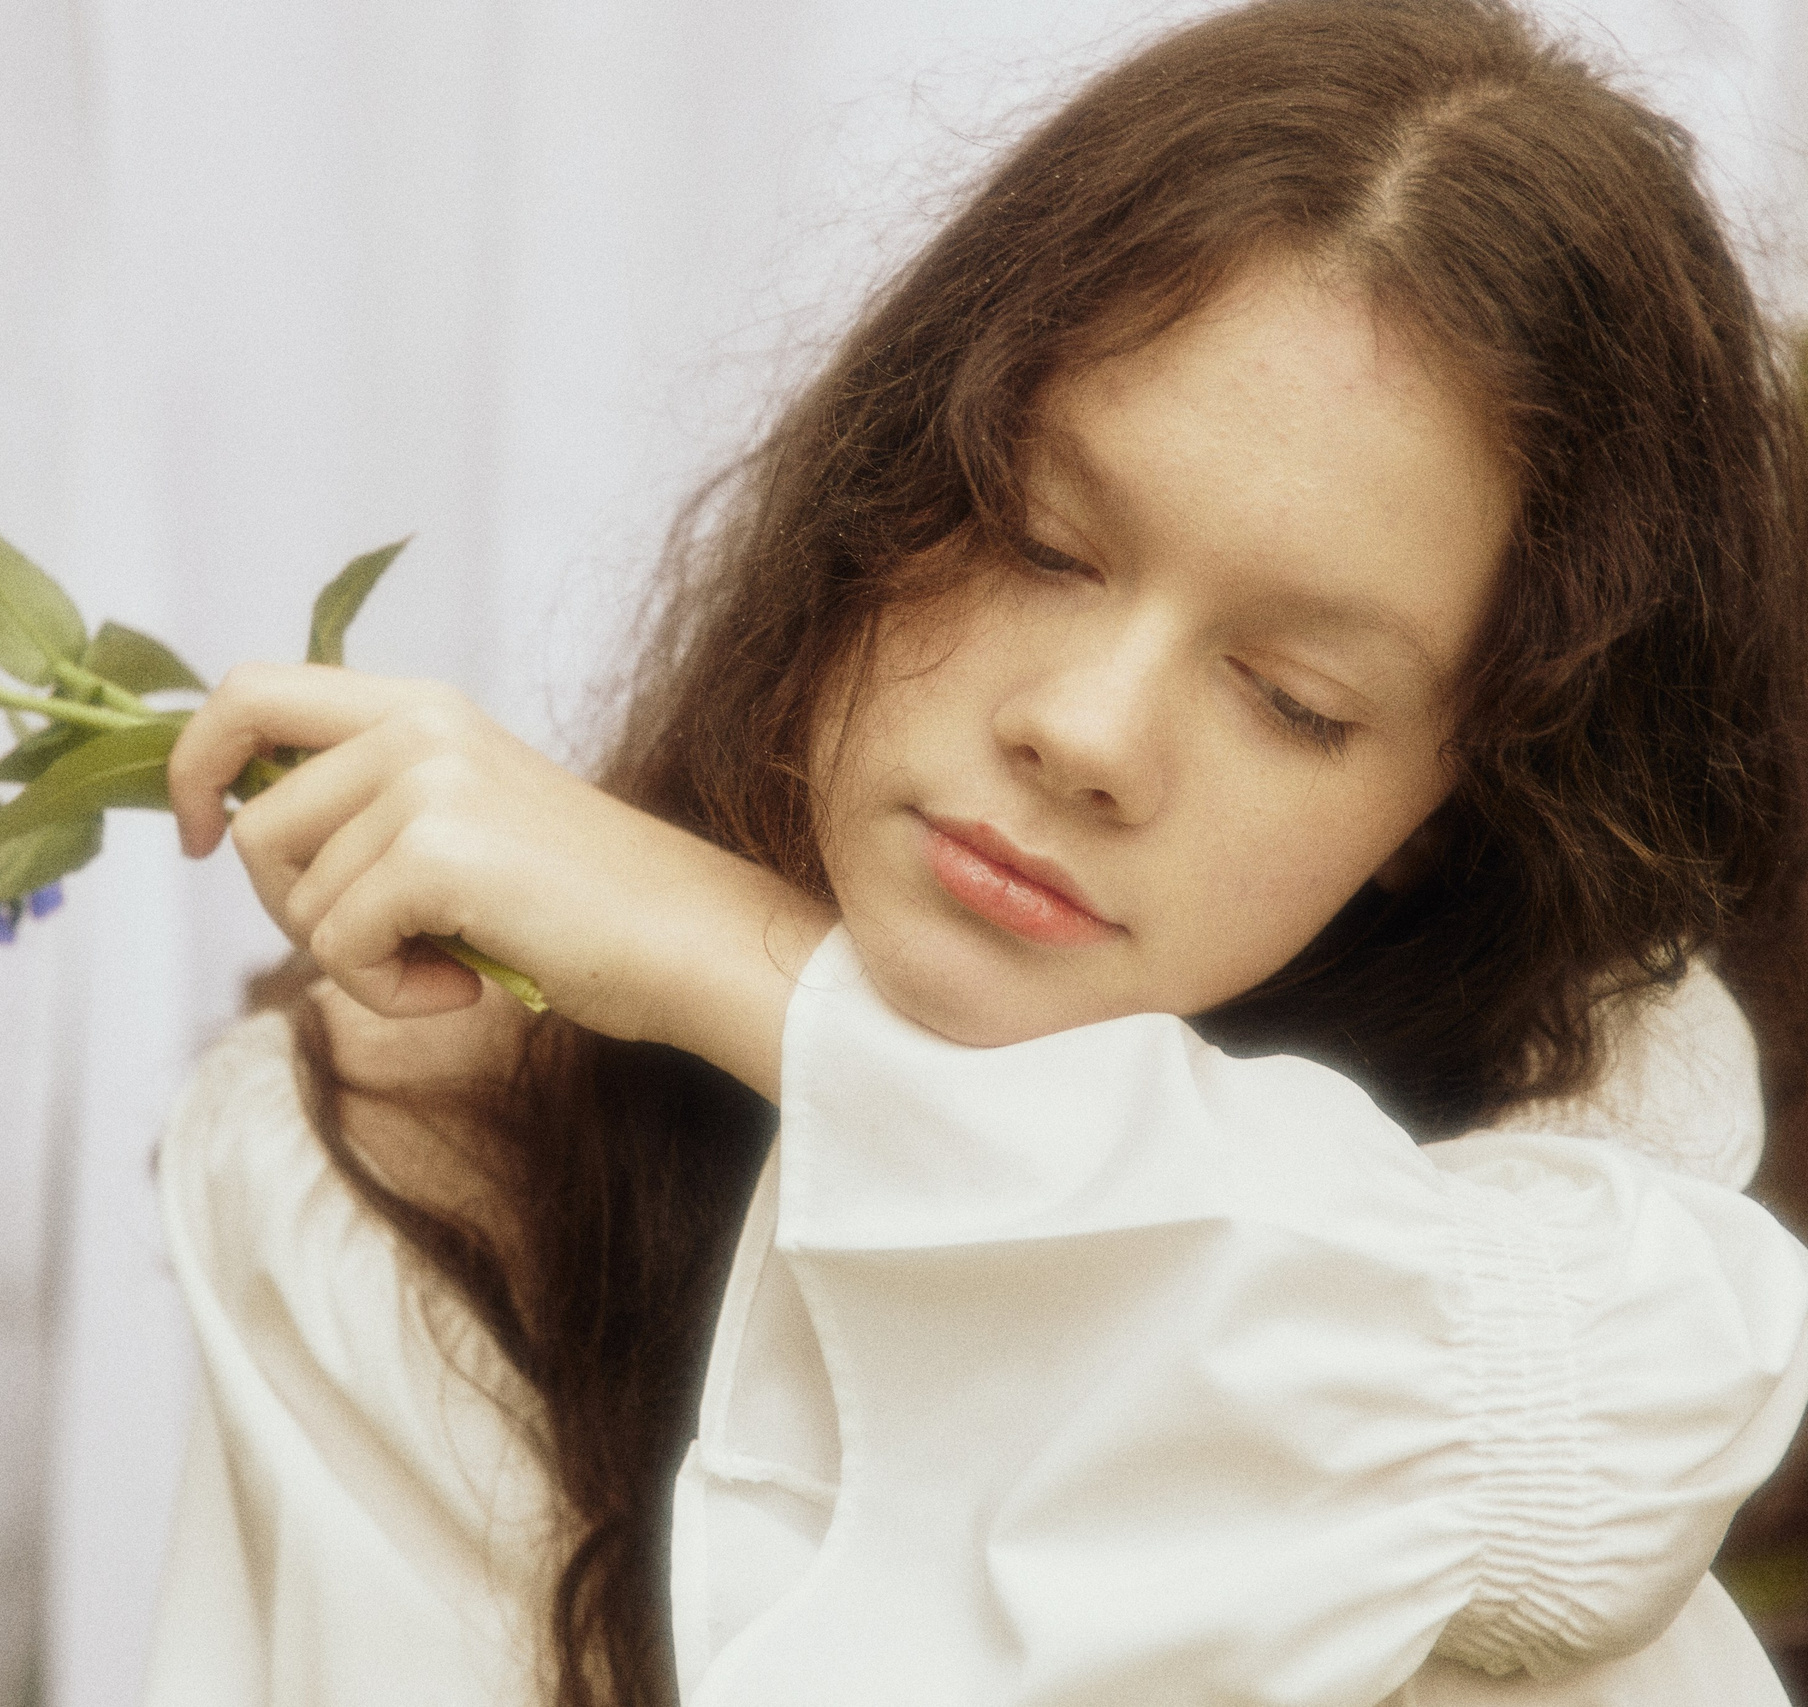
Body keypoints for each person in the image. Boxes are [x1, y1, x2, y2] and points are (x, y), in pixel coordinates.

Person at [142, 0, 1808, 1702]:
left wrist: (743, 969)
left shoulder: (1580, 1170)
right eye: (1034, 536)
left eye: (1296, 699)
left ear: (1445, 812)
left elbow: (1548, 1468)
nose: (1085, 733)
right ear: (881, 481)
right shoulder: (394, 1153)